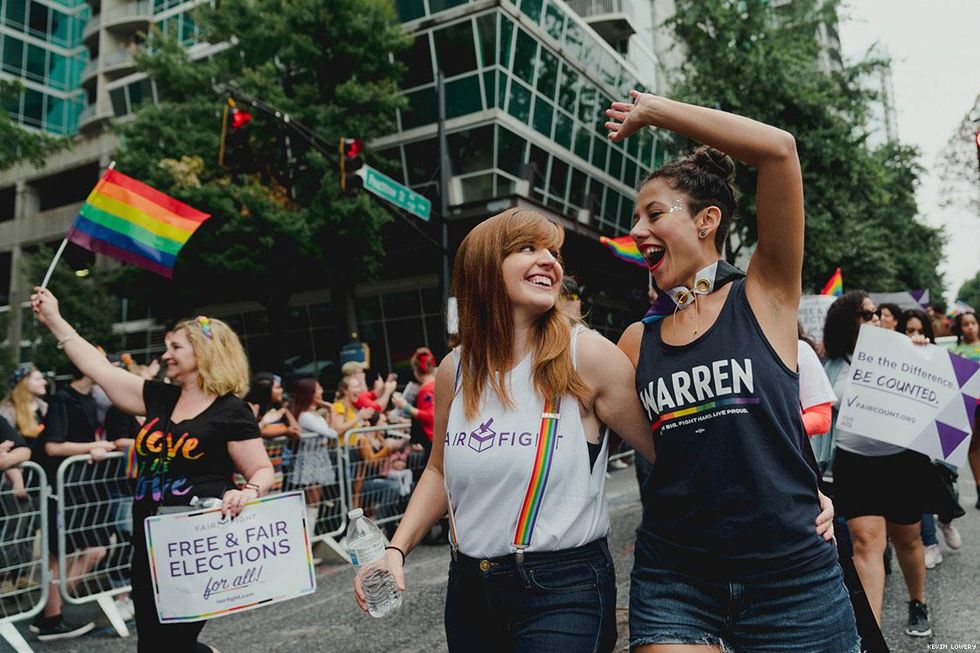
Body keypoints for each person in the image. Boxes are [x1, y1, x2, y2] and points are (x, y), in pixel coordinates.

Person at [606, 90, 851, 652]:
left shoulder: (764, 296)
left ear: (707, 220)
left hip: (792, 578)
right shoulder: (633, 342)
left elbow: (780, 152)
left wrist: (654, 111)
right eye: (634, 218)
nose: (638, 230)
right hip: (676, 578)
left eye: (654, 214)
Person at [357, 208, 657, 652]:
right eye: (527, 249)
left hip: (565, 589)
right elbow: (439, 471)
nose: (550, 261)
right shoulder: (454, 371)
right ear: (484, 270)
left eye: (553, 252)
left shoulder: (587, 355)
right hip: (469, 590)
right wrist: (395, 549)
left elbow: (666, 455)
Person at [30, 287, 273, 653]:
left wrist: (249, 491)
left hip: (195, 542)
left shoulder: (230, 410)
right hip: (149, 538)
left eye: (176, 347)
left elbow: (262, 469)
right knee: (152, 643)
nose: (166, 355)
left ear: (205, 353)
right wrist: (53, 318)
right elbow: (96, 367)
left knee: (172, 642)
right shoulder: (158, 397)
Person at [823, 292, 934, 637]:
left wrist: (922, 352)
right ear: (848, 322)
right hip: (855, 464)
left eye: (877, 313)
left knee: (908, 539)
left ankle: (918, 602)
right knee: (866, 543)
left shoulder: (901, 349)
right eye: (868, 313)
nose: (877, 318)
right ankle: (871, 633)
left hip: (901, 461)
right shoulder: (832, 364)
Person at [30, 364, 113, 641]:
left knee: (83, 551)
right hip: (60, 487)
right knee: (71, 552)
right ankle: (51, 616)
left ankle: (50, 611)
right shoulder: (63, 400)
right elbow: (53, 446)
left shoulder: (90, 398)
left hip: (78, 486)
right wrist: (94, 447)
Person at [288, 378, 339, 540]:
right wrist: (330, 409)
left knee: (314, 502)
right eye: (318, 389)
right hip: (311, 460)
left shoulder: (313, 413)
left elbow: (330, 430)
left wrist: (330, 410)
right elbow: (332, 433)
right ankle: (307, 541)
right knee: (312, 503)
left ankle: (308, 540)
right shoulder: (305, 416)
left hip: (318, 457)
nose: (321, 391)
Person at [949, 311, 980, 508]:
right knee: (974, 446)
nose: (970, 327)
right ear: (960, 328)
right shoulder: (954, 349)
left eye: (973, 323)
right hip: (969, 404)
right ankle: (979, 487)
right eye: (965, 324)